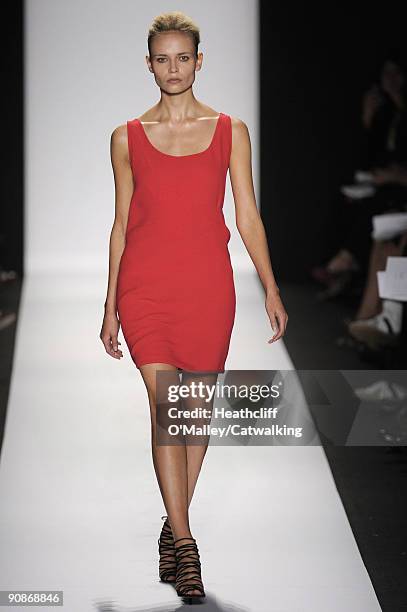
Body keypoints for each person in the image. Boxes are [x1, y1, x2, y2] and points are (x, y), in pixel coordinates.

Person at [99, 10, 288, 602]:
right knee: (165, 406)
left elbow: (247, 214)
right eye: (163, 58)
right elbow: (122, 223)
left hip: (208, 287)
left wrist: (271, 287)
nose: (173, 67)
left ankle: (170, 523)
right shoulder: (125, 136)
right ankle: (186, 545)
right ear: (149, 63)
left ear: (199, 61)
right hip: (145, 287)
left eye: (184, 57)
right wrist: (110, 305)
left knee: (194, 415)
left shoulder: (230, 130)